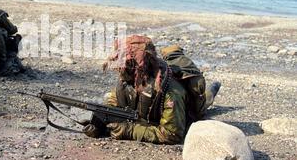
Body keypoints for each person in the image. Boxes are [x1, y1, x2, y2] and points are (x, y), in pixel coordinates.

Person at [83, 35, 221, 144]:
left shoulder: (170, 92)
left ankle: (215, 87)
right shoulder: (129, 79)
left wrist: (130, 131)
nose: (120, 71)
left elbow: (172, 134)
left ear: (139, 68)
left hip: (187, 110)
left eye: (126, 66)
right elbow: (115, 102)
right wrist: (100, 122)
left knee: (207, 99)